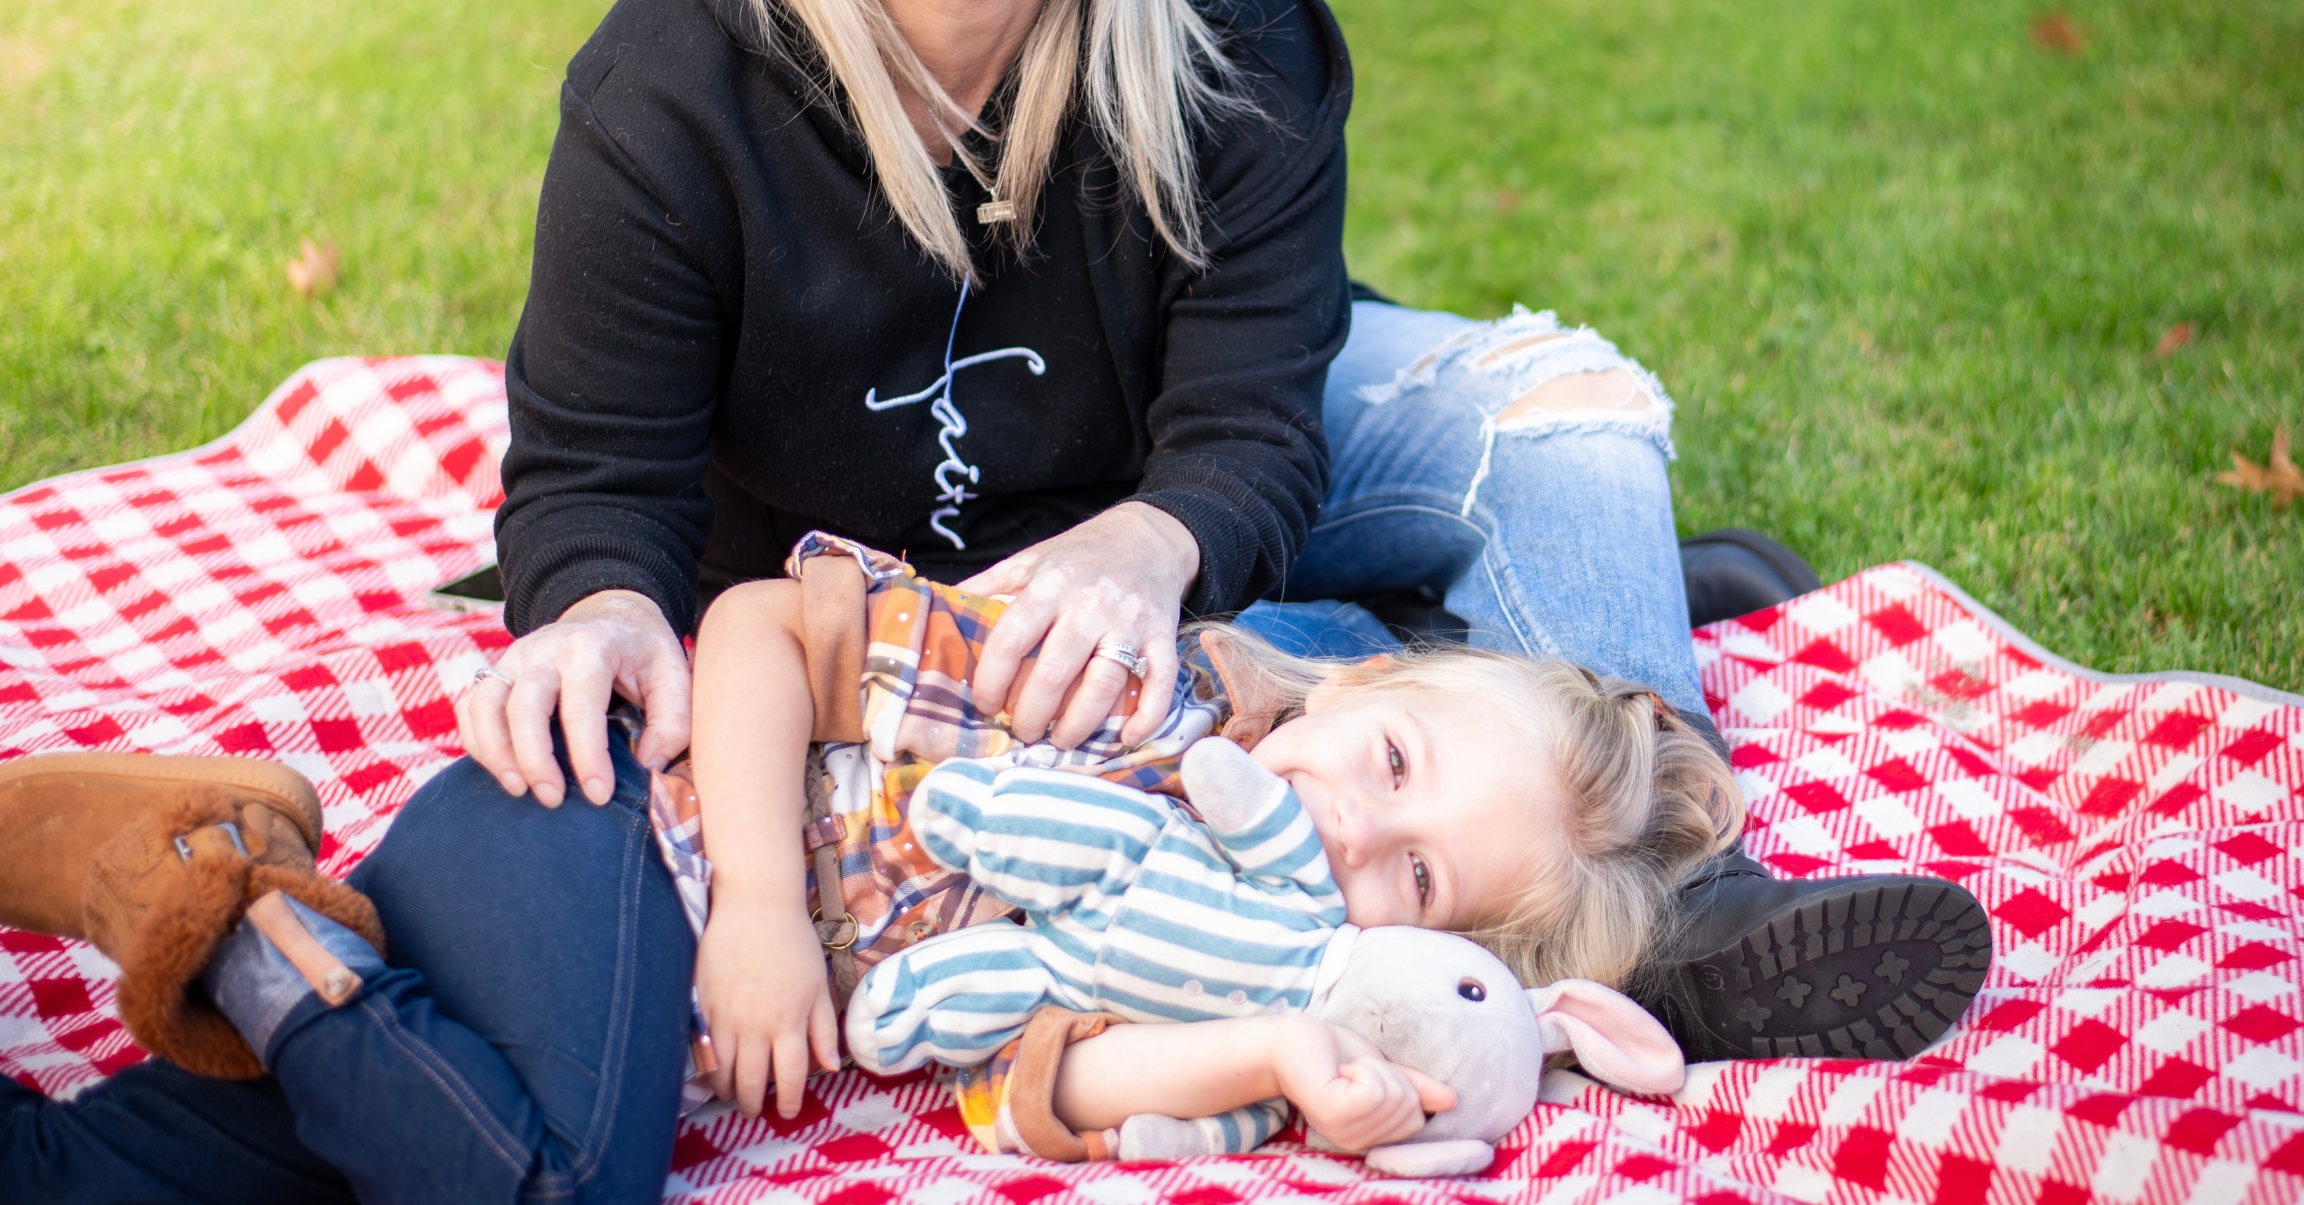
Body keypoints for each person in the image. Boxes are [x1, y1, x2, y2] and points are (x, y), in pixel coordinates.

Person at [0, 0, 1989, 1201]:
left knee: (1557, 407)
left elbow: (1250, 422)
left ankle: (1656, 857)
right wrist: (596, 603)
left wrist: (1157, 542)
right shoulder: (674, 80)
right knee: (1319, 704)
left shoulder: (1224, 15)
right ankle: (1471, 644)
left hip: (1150, 533)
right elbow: (589, 473)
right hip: (855, 591)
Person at [0, 525, 1754, 1200]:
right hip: (606, 842)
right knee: (546, 1197)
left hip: (477, 1028)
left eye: (1420, 884)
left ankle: (237, 957)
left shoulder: (1258, 958)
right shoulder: (1116, 691)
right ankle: (218, 878)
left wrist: (1289, 1057)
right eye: (1390, 765)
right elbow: (760, 629)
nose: (1356, 834)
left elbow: (1059, 1090)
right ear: (1362, 683)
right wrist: (764, 906)